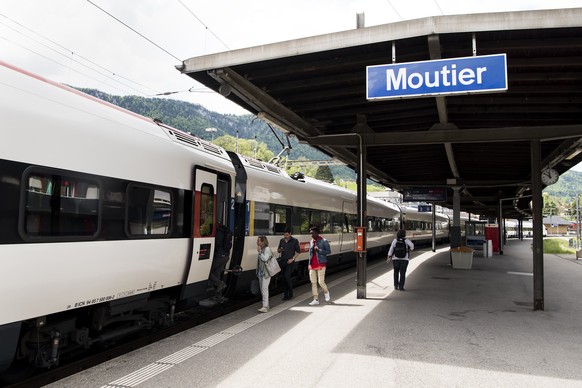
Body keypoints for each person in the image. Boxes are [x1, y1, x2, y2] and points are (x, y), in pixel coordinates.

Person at [307, 226, 332, 305]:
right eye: (310, 233)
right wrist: (309, 264)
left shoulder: (324, 241)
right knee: (313, 282)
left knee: (321, 282)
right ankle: (315, 299)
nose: (311, 235)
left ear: (317, 233)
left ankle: (326, 292)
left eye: (313, 233)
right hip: (312, 265)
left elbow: (328, 251)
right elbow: (310, 254)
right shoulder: (311, 241)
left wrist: (319, 250)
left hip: (321, 264)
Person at [208, 223, 232, 300]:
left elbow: (217, 245)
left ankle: (220, 284)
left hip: (219, 257)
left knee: (207, 272)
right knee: (217, 274)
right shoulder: (225, 231)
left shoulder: (218, 233)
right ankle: (219, 296)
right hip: (226, 256)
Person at [277, 228, 301, 300]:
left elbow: (298, 252)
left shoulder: (294, 241)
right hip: (283, 261)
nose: (285, 236)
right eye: (284, 235)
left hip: (290, 262)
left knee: (287, 277)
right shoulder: (282, 240)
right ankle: (285, 295)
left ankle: (290, 293)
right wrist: (280, 250)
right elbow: (278, 250)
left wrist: (292, 259)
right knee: (283, 278)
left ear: (290, 234)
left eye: (287, 235)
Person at [256, 235, 274, 313]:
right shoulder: (262, 249)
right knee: (262, 289)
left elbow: (265, 258)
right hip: (261, 272)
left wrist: (259, 252)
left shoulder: (267, 249)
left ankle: (265, 306)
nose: (257, 242)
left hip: (266, 273)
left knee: (264, 289)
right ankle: (266, 305)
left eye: (259, 241)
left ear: (263, 242)